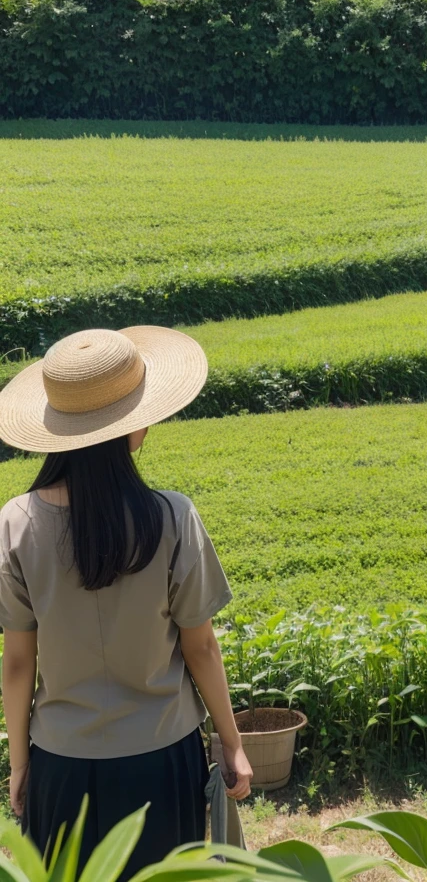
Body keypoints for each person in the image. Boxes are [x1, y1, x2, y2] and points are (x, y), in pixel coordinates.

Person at [0, 325, 253, 880]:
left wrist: (21, 764)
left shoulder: (15, 523)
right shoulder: (171, 516)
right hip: (163, 757)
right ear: (133, 425)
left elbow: (18, 663)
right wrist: (231, 744)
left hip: (60, 762)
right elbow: (201, 647)